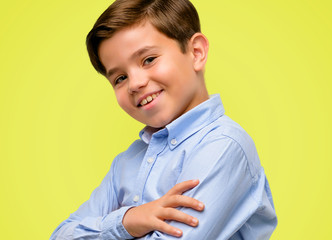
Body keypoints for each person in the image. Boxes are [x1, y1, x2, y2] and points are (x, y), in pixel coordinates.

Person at [50, 0, 277, 239]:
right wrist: (127, 221)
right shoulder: (127, 162)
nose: (135, 83)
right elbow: (61, 234)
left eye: (148, 59)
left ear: (196, 52)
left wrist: (108, 226)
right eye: (120, 78)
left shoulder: (223, 146)